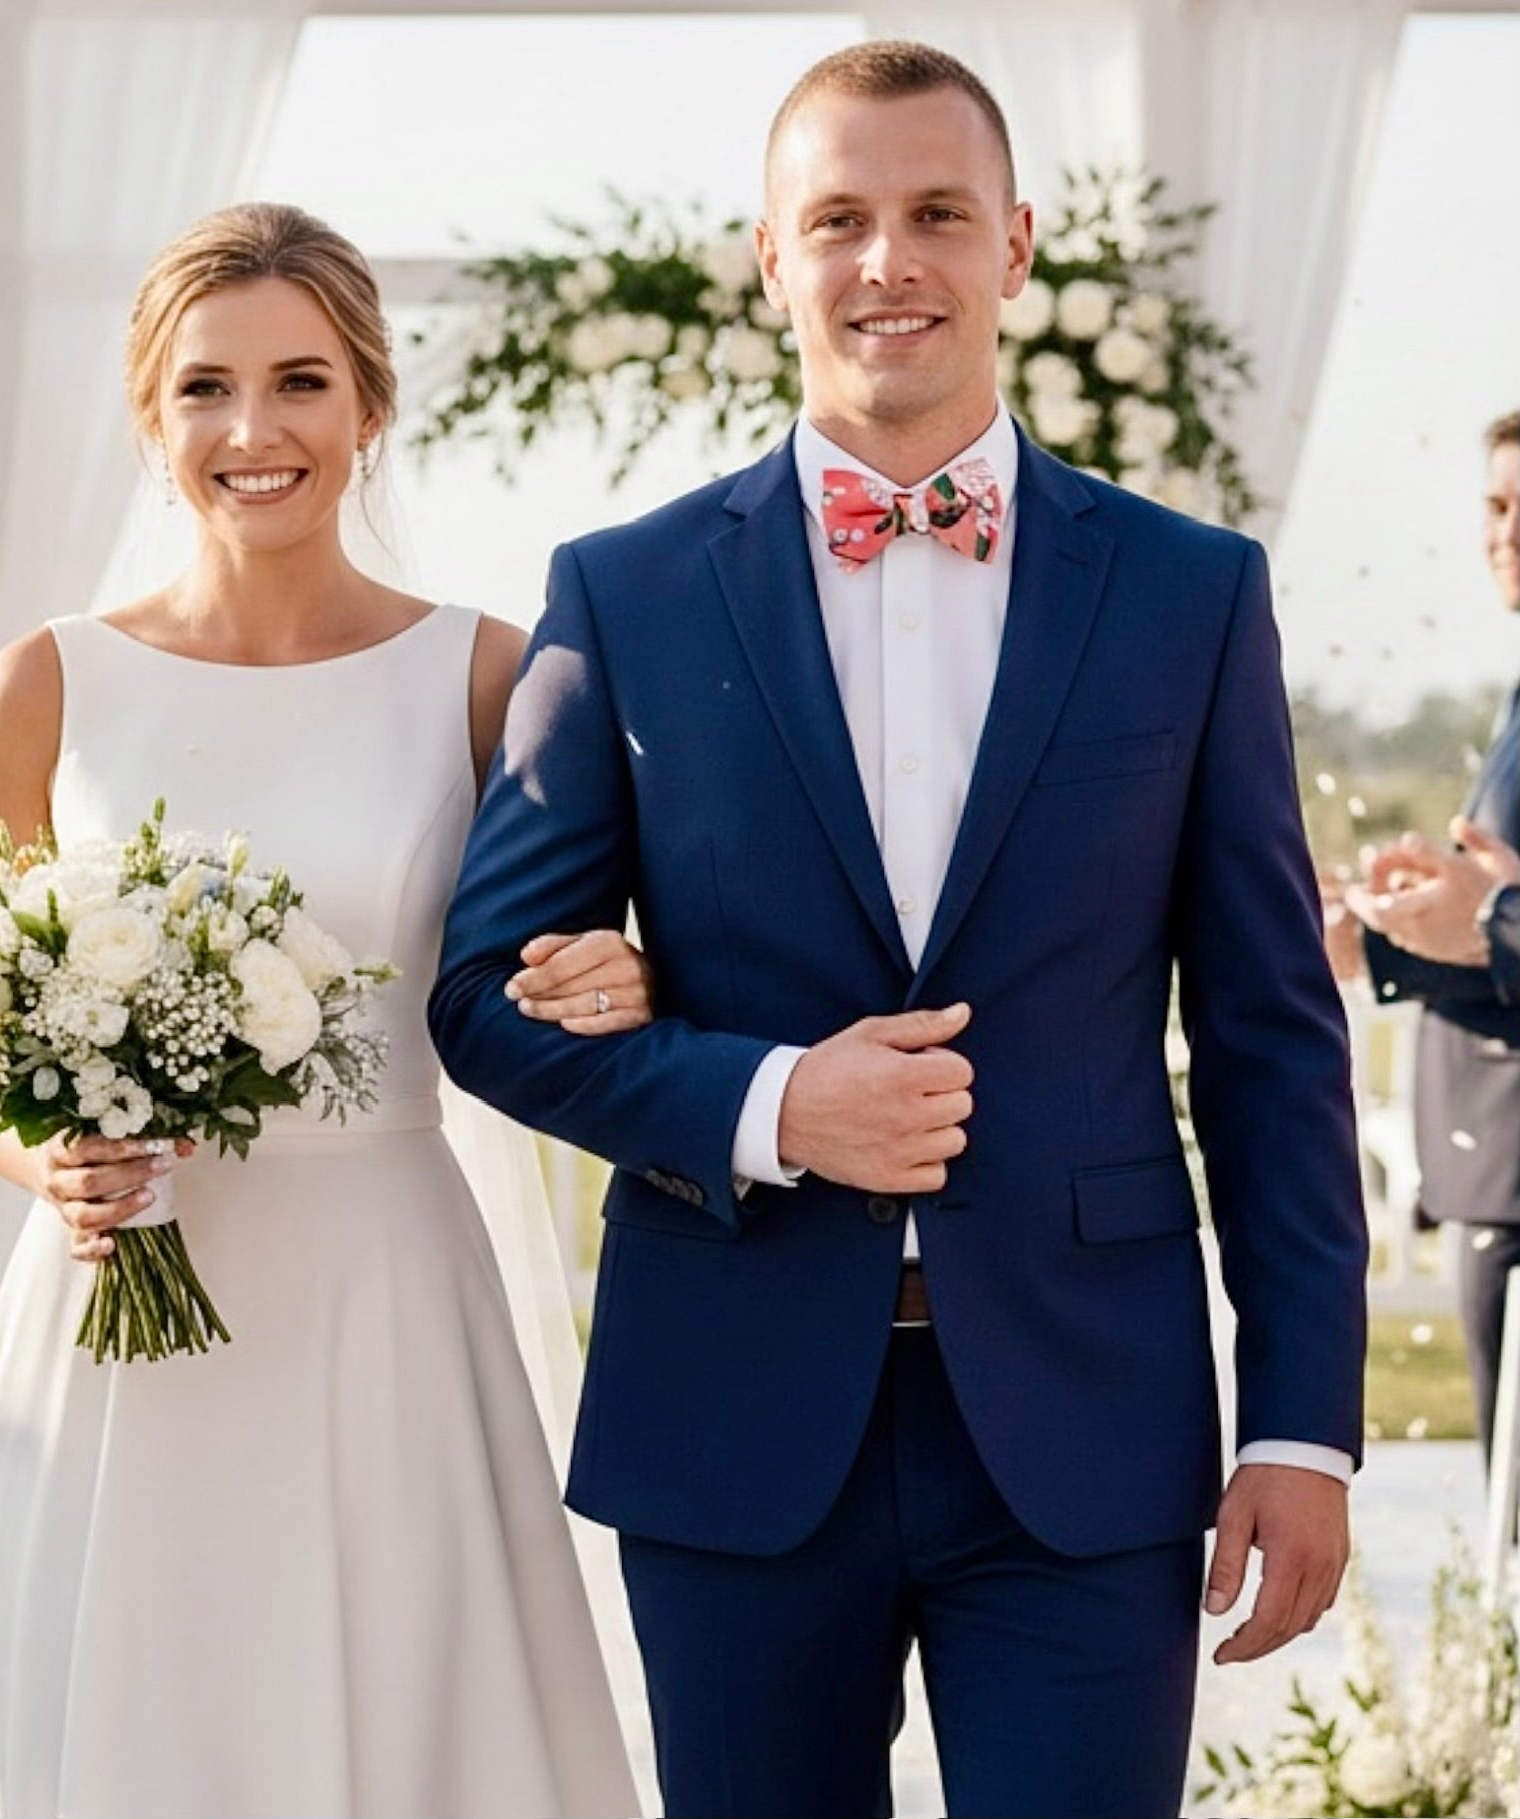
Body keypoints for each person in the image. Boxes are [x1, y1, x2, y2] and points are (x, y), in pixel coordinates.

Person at [432, 41, 1367, 1819]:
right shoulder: (620, 591)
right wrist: (772, 1100)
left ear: (1013, 244)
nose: (888, 260)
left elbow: (1267, 1039)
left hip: (1085, 1424)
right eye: (837, 219)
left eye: (936, 212)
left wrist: (1297, 1421)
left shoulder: (1188, 593)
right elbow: (483, 997)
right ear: (766, 256)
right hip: (730, 1408)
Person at [0, 202, 643, 1819]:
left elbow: (573, 958)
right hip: (114, 1309)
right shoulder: (46, 682)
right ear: (149, 419)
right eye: (204, 388)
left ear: (368, 405)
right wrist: (46, 1158)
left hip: (381, 1289)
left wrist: (616, 975)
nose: (252, 430)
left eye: (299, 381)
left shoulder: (487, 676)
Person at [1333, 408, 1520, 1460]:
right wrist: (1391, 925)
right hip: (1492, 1175)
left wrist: (1478, 916)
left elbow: (1501, 924)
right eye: (1494, 505)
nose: (1506, 532)